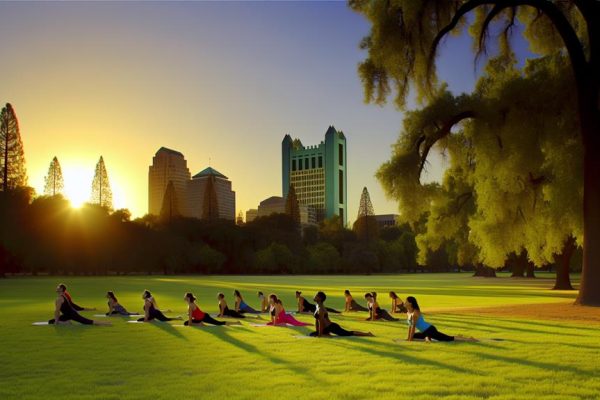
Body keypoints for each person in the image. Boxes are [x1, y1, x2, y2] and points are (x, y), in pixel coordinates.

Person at [405, 296, 476, 342]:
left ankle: (469, 339)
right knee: (414, 335)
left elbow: (413, 327)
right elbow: (410, 327)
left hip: (430, 330)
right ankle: (427, 337)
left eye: (406, 301)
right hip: (424, 332)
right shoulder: (408, 313)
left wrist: (410, 340)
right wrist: (408, 338)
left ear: (410, 303)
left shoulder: (415, 313)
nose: (404, 302)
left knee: (448, 339)